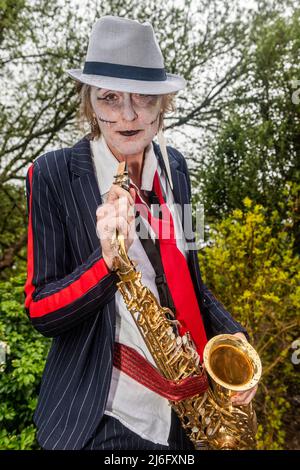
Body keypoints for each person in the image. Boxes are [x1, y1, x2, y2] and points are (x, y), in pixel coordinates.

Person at [24, 16, 257, 451]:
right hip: (103, 415)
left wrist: (234, 338)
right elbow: (40, 310)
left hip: (185, 415)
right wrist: (108, 265)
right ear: (90, 104)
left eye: (144, 98)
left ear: (163, 104)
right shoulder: (51, 173)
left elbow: (192, 280)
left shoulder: (178, 169)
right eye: (110, 98)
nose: (128, 115)